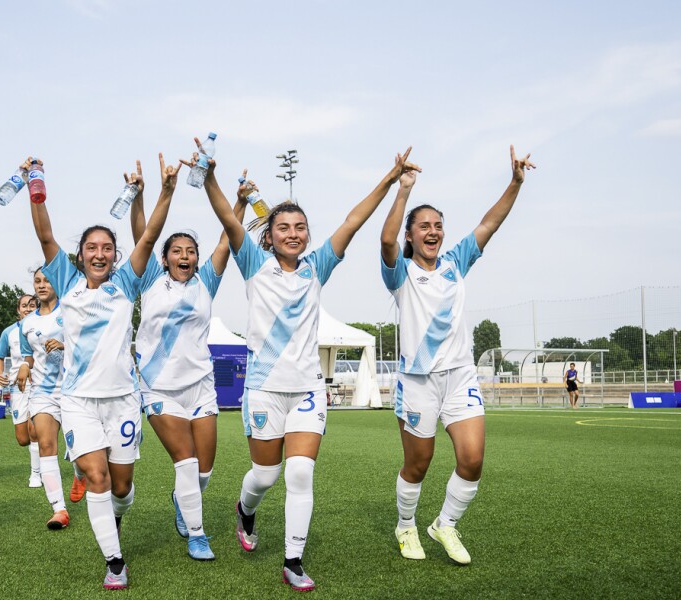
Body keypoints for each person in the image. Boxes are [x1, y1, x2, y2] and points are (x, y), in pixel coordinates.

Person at [200, 140, 420, 591]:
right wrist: (209, 177)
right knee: (266, 475)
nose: (293, 234)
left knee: (300, 472)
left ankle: (293, 560)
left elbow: (353, 221)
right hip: (263, 389)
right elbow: (227, 217)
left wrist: (390, 179)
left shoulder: (317, 266)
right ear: (269, 235)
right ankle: (245, 510)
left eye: (300, 227)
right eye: (283, 227)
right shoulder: (253, 263)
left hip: (306, 389)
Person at [380, 146, 534, 566]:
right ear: (411, 235)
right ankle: (406, 525)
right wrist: (403, 189)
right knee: (418, 463)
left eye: (438, 226)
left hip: (460, 376)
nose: (433, 232)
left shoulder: (455, 262)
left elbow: (489, 223)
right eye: (424, 226)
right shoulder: (401, 273)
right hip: (418, 381)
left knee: (472, 459)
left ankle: (444, 524)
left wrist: (515, 183)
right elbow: (386, 240)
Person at [26, 155, 175, 590]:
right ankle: (114, 562)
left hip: (123, 400)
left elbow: (150, 237)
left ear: (115, 256)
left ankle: (115, 519)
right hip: (77, 401)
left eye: (107, 248)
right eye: (91, 247)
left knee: (121, 489)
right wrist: (35, 183)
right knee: (97, 477)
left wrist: (165, 191)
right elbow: (45, 234)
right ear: (80, 255)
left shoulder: (125, 283)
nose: (99, 253)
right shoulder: (67, 282)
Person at [128, 168, 248, 561]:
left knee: (204, 471)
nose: (185, 256)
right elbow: (144, 235)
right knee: (186, 460)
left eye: (190, 251)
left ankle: (183, 499)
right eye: (177, 251)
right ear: (165, 259)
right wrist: (144, 195)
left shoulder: (205, 282)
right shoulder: (149, 280)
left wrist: (240, 202)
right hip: (159, 387)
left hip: (200, 386)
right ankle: (198, 535)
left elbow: (227, 240)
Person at [18, 269, 71, 529]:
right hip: (43, 391)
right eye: (37, 281)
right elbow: (28, 354)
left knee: (83, 453)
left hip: (75, 389)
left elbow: (90, 345)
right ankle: (59, 509)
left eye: (47, 280)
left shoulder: (71, 311)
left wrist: (64, 345)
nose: (42, 285)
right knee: (46, 444)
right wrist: (24, 366)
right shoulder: (26, 323)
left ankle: (80, 473)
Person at [0, 294, 41, 487]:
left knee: (34, 429)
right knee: (23, 438)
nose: (28, 309)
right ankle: (41, 451)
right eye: (24, 305)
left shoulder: (44, 326)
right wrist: (0, 374)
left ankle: (36, 474)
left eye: (32, 305)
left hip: (39, 383)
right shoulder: (9, 332)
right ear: (18, 309)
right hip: (17, 387)